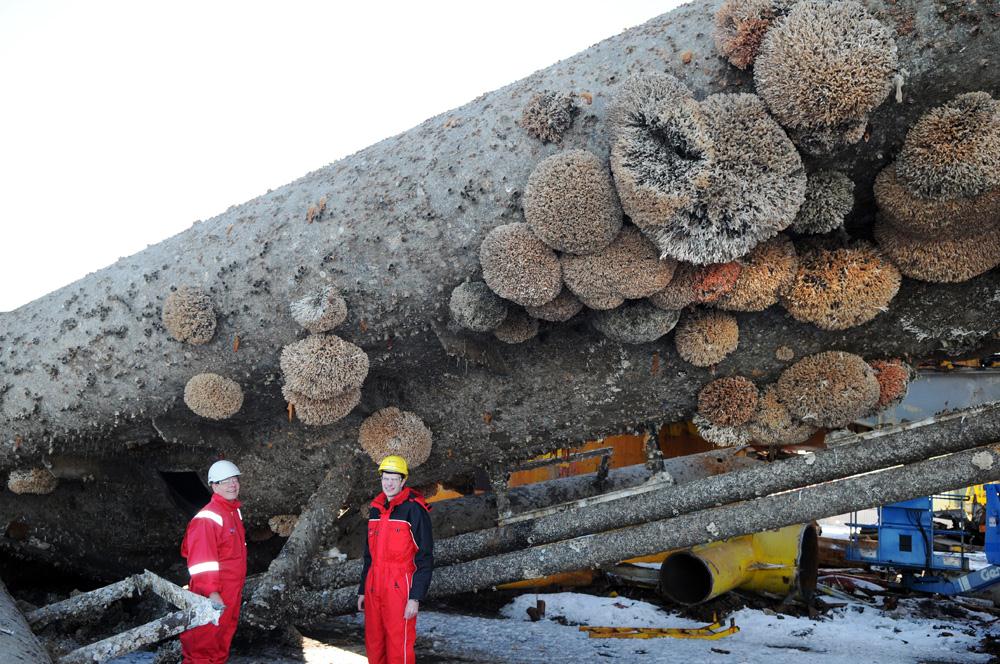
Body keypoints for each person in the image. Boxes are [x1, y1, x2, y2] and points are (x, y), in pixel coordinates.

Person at [357, 455, 433, 664]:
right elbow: (368, 555)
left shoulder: (415, 511)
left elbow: (425, 557)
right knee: (374, 643)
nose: (389, 483)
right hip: (374, 585)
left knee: (399, 645)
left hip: (400, 587)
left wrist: (415, 597)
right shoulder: (375, 509)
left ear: (403, 481)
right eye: (385, 478)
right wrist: (363, 589)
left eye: (394, 479)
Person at [179, 460, 247, 664]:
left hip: (231, 590)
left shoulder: (232, 511)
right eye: (225, 481)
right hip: (214, 593)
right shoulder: (207, 518)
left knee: (221, 641)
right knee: (203, 643)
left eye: (234, 479)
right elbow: (201, 561)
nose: (232, 485)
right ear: (214, 485)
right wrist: (212, 593)